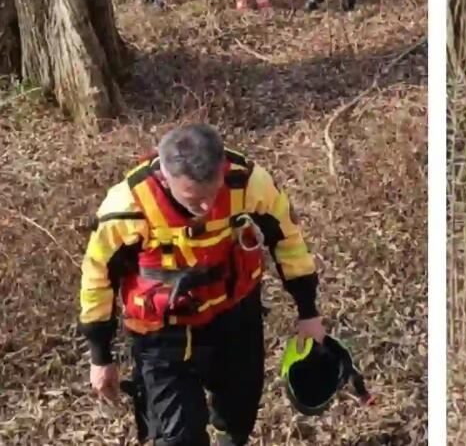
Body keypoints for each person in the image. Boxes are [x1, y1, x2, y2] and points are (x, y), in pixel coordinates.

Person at [78, 124, 324, 445]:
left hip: (234, 315)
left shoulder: (249, 182)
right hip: (162, 333)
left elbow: (288, 240)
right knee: (178, 436)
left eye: (213, 193)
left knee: (239, 416)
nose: (208, 207)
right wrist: (100, 356)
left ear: (222, 167)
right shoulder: (126, 208)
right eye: (194, 199)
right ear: (166, 177)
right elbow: (97, 278)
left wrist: (308, 312)